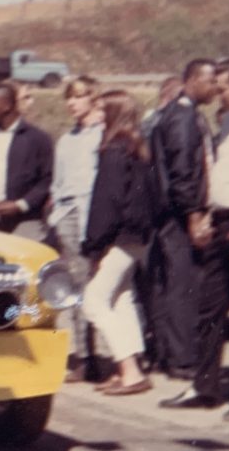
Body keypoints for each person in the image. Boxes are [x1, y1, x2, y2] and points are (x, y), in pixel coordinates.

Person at [161, 57, 229, 421]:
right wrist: (208, 214)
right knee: (209, 309)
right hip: (221, 221)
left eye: (223, 88)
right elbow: (222, 175)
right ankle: (204, 387)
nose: (217, 95)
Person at [81, 90, 156, 396]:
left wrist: (94, 244)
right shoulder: (137, 147)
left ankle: (129, 372)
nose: (96, 115)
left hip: (119, 237)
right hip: (138, 236)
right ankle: (132, 363)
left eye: (100, 109)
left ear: (112, 113)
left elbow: (106, 203)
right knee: (121, 298)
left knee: (93, 302)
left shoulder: (112, 151)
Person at [148, 58, 218, 380]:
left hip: (176, 213)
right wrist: (193, 214)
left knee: (174, 283)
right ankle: (182, 359)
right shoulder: (182, 118)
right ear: (191, 79)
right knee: (184, 285)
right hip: (179, 215)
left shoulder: (184, 114)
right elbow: (182, 174)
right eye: (210, 80)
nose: (215, 87)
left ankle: (172, 354)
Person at [46, 75, 103, 383]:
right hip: (68, 216)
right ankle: (84, 356)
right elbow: (58, 184)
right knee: (75, 286)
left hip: (93, 215)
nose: (72, 103)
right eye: (69, 97)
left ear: (94, 98)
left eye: (79, 97)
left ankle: (97, 356)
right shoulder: (66, 140)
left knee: (94, 288)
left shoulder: (102, 136)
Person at [0, 83, 54, 240]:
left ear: (6, 106)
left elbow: (46, 180)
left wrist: (20, 205)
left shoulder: (36, 138)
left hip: (26, 221)